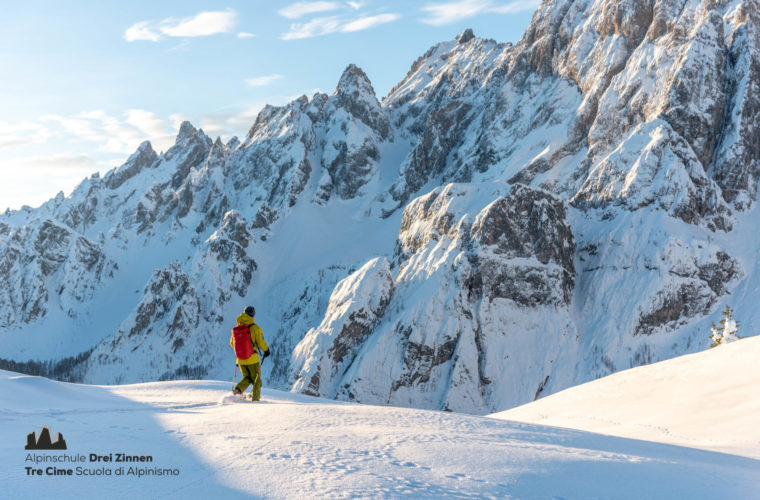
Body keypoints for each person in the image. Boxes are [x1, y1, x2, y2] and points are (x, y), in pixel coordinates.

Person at [230, 305, 270, 401]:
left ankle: (237, 391)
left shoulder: (237, 328)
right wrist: (266, 350)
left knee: (247, 378)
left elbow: (232, 343)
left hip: (240, 360)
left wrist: (242, 351)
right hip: (252, 359)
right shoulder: (255, 328)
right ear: (253, 315)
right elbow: (261, 342)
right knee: (256, 380)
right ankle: (256, 400)